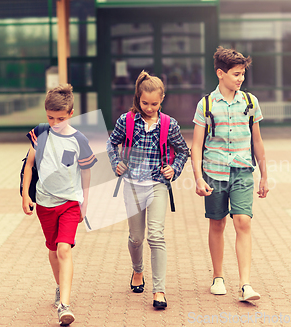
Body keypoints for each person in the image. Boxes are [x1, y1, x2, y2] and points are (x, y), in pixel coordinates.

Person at [191, 46, 269, 302]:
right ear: (220, 73)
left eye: (242, 74)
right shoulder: (206, 104)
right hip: (213, 172)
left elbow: (257, 141)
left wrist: (264, 175)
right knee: (217, 223)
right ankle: (218, 277)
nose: (240, 79)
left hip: (243, 170)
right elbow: (197, 145)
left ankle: (245, 284)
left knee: (243, 221)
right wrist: (198, 178)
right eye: (236, 74)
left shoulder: (250, 102)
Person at [106, 71, 189, 309]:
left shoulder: (169, 124)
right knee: (136, 237)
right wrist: (116, 163)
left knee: (156, 235)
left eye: (154, 103)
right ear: (137, 98)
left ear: (162, 99)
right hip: (132, 186)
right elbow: (111, 143)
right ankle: (137, 270)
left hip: (157, 186)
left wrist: (174, 169)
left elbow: (183, 151)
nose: (149, 108)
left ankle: (159, 290)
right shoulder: (127, 121)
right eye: (145, 103)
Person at [21, 84, 97, 325]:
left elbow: (86, 172)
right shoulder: (40, 133)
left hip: (70, 203)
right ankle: (59, 286)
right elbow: (29, 165)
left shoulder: (79, 140)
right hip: (44, 203)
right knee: (53, 250)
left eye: (60, 118)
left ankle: (64, 305)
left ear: (71, 113)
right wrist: (25, 194)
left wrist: (85, 202)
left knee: (64, 249)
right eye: (50, 117)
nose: (55, 122)